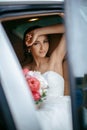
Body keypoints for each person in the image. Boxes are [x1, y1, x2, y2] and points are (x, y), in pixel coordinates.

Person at [23, 24, 73, 130]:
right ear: (29, 47)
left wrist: (38, 32)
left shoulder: (55, 59)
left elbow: (71, 26)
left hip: (58, 113)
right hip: (34, 116)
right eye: (36, 43)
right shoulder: (25, 69)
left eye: (45, 41)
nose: (42, 47)